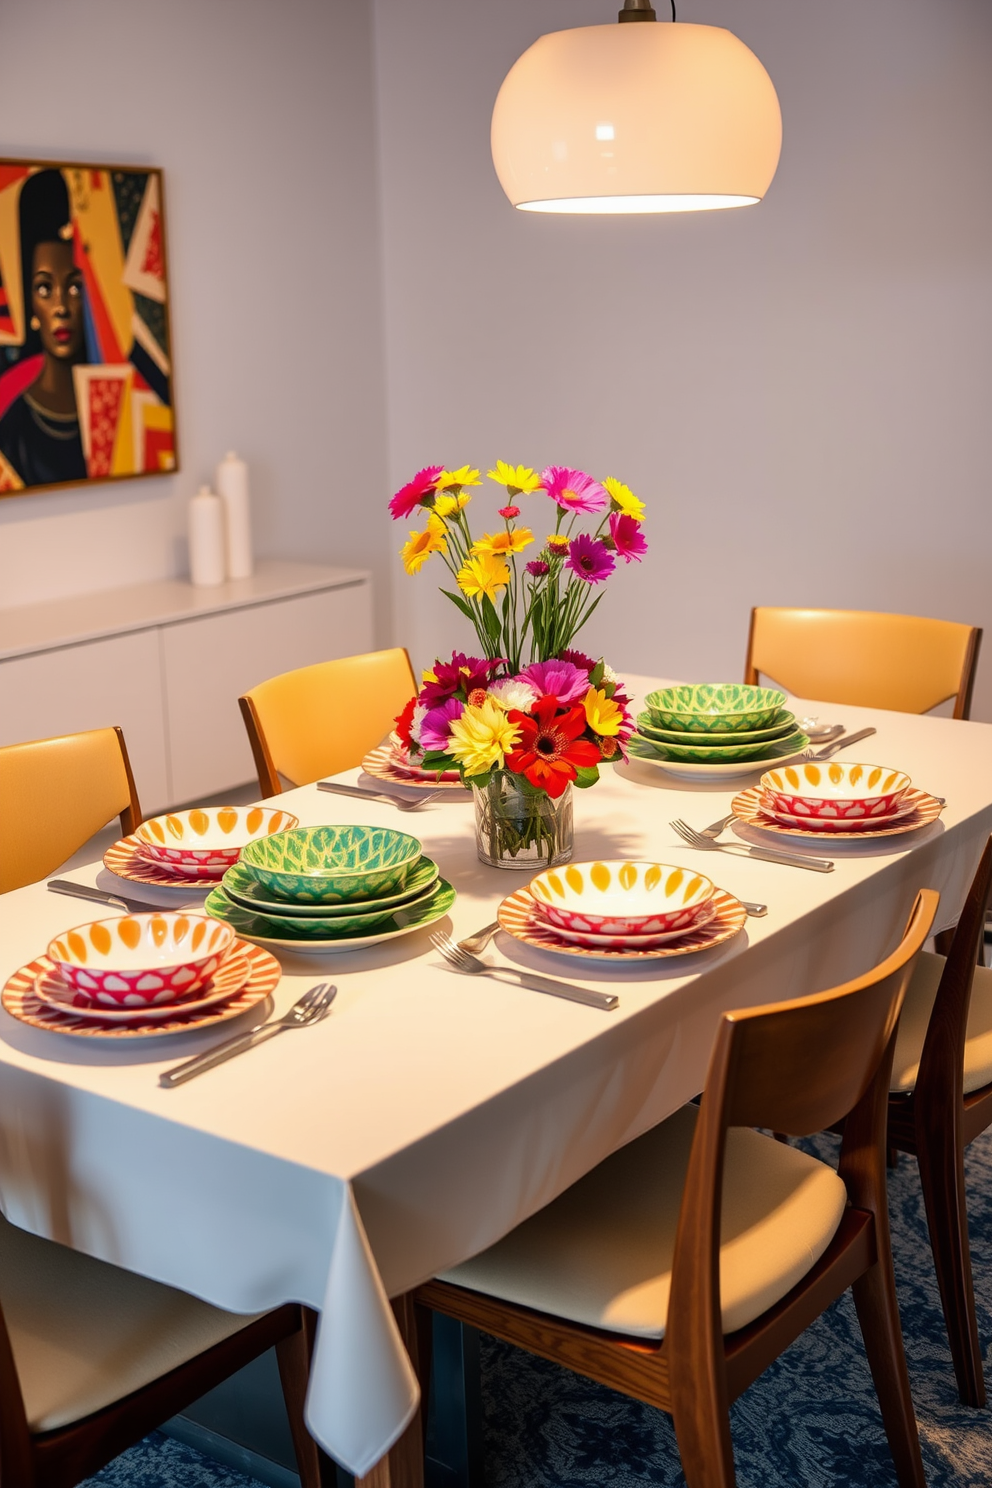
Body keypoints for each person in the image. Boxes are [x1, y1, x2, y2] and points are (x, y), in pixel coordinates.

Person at [0, 169, 88, 487]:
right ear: (31, 305)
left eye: (75, 288)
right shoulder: (12, 428)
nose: (61, 307)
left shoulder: (114, 410)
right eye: (44, 289)